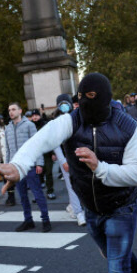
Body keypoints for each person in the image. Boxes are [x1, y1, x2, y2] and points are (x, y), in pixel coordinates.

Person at [0, 73, 137, 273]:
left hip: (121, 205)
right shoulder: (71, 120)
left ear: (105, 100)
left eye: (91, 99)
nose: (84, 104)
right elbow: (41, 140)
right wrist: (19, 166)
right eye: (81, 98)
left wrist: (100, 167)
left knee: (117, 272)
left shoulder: (128, 127)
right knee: (113, 255)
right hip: (91, 207)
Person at [4, 102, 51, 232]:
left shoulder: (29, 125)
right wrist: (8, 168)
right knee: (22, 195)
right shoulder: (7, 128)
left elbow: (37, 145)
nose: (11, 112)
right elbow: (7, 150)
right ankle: (28, 220)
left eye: (13, 109)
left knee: (37, 193)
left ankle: (46, 220)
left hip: (30, 165)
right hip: (16, 168)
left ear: (20, 111)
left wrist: (39, 163)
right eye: (9, 110)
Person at [52, 93, 86, 226]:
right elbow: (55, 144)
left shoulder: (78, 117)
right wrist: (63, 161)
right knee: (71, 186)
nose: (64, 106)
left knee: (83, 183)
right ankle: (78, 213)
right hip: (66, 158)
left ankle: (79, 206)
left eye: (66, 103)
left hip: (80, 155)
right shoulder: (56, 122)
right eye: (61, 104)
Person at [30, 109, 56, 200]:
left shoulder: (45, 125)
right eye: (33, 116)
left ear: (39, 116)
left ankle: (50, 191)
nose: (34, 117)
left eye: (36, 115)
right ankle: (38, 194)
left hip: (47, 153)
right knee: (37, 174)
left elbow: (51, 139)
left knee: (48, 173)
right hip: (36, 153)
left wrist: (53, 153)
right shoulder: (30, 126)